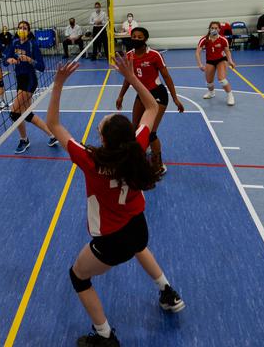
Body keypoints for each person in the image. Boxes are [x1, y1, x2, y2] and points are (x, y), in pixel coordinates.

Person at [46, 55, 185, 347]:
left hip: (110, 240)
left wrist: (57, 84)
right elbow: (151, 107)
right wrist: (132, 77)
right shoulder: (137, 147)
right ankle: (168, 291)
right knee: (139, 246)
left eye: (103, 123)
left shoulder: (90, 159)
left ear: (104, 138)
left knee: (78, 276)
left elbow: (53, 123)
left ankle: (104, 335)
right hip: (137, 224)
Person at [115, 27, 184, 174]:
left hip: (158, 94)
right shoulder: (129, 56)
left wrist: (175, 98)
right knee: (135, 129)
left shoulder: (154, 55)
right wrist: (121, 95)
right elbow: (129, 78)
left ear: (145, 39)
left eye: (140, 37)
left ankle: (158, 164)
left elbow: (167, 77)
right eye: (134, 36)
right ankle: (137, 157)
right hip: (142, 94)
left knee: (151, 133)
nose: (136, 39)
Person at [3, 20, 58, 153]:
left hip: (30, 80)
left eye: (25, 28)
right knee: (26, 114)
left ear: (28, 31)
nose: (22, 30)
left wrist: (29, 60)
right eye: (20, 28)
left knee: (14, 113)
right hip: (20, 79)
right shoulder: (14, 43)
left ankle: (24, 140)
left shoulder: (32, 45)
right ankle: (52, 135)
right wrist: (8, 60)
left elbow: (42, 67)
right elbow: (5, 59)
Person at [196, 22, 236, 106]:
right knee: (209, 82)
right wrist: (200, 64)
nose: (214, 29)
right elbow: (197, 52)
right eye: (212, 28)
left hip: (221, 60)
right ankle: (211, 93)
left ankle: (230, 95)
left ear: (219, 29)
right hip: (210, 61)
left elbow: (227, 51)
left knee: (222, 79)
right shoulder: (204, 39)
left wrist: (230, 61)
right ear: (209, 29)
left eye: (216, 28)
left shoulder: (223, 39)